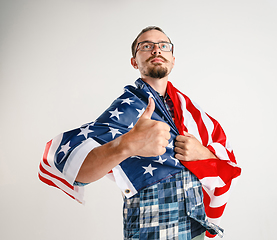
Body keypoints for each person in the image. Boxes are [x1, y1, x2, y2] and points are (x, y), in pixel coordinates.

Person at [39, 26, 241, 240]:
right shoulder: (126, 110)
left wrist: (203, 154)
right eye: (146, 46)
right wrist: (128, 144)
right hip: (153, 230)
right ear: (134, 62)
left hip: (194, 227)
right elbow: (75, 172)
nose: (156, 50)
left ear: (173, 59)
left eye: (164, 46)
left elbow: (225, 161)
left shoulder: (189, 111)